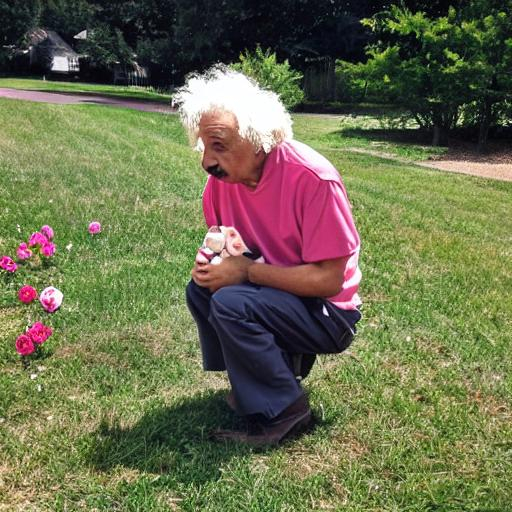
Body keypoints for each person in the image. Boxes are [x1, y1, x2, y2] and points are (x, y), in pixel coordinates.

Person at [174, 65, 362, 447]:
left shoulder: (312, 178)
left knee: (231, 302)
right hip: (285, 299)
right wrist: (211, 265)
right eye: (204, 146)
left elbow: (329, 280)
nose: (207, 161)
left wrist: (246, 273)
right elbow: (229, 243)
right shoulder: (219, 186)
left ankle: (286, 410)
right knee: (204, 292)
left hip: (329, 313)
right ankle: (259, 385)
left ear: (258, 139)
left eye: (219, 145)